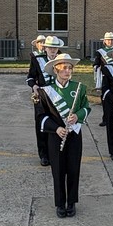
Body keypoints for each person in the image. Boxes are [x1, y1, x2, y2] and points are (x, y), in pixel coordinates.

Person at [36, 53, 91, 217]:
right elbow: (41, 116)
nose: (68, 71)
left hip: (74, 133)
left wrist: (78, 116)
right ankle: (60, 203)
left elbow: (86, 108)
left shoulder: (79, 88)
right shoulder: (45, 91)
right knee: (58, 170)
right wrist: (56, 129)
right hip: (56, 135)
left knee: (73, 169)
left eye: (70, 68)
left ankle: (71, 202)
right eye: (64, 68)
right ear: (56, 70)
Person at [27, 35, 63, 165]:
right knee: (41, 126)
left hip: (58, 97)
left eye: (55, 48)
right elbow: (30, 77)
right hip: (42, 97)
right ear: (45, 48)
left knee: (57, 125)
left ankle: (56, 153)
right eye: (50, 48)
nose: (53, 50)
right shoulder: (37, 59)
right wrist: (34, 86)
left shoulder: (62, 59)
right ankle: (44, 155)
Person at [94, 31, 113, 126]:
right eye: (108, 40)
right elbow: (96, 64)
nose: (110, 42)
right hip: (105, 78)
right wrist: (100, 67)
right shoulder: (100, 52)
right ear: (104, 41)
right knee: (105, 99)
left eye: (111, 40)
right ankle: (106, 119)